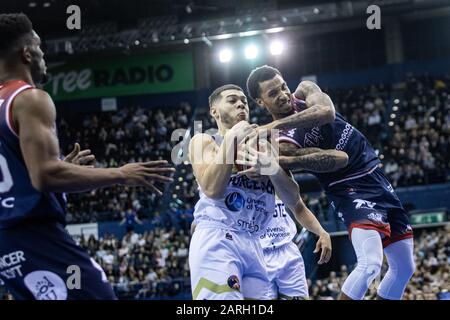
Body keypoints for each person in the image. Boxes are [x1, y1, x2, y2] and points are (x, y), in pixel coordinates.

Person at [0, 13, 174, 300]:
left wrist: (61, 168)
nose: (44, 54)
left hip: (8, 243)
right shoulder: (29, 99)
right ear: (27, 53)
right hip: (35, 236)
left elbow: (22, 178)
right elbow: (45, 176)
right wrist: (121, 174)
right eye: (40, 46)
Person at [246, 65, 415, 300]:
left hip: (375, 176)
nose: (283, 95)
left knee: (405, 268)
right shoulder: (282, 144)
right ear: (260, 102)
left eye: (282, 86)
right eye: (273, 94)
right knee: (370, 265)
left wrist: (273, 125)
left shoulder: (304, 90)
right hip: (348, 187)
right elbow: (338, 161)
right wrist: (276, 156)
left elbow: (327, 112)